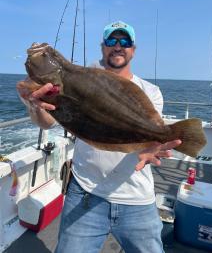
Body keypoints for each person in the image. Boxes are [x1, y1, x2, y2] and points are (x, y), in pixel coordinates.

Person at [17, 21, 181, 253]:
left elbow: (145, 133)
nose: (118, 46)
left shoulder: (150, 91)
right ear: (102, 46)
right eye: (111, 40)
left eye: (125, 41)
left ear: (133, 49)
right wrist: (35, 106)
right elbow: (48, 121)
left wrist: (149, 147)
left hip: (136, 197)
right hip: (85, 193)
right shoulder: (82, 76)